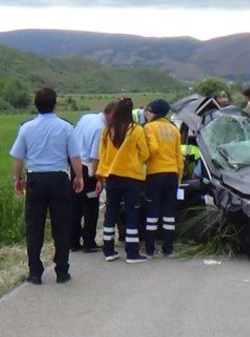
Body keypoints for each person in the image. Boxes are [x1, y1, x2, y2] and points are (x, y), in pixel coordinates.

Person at [10, 87, 84, 285]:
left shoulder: (26, 128)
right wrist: (79, 177)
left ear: (35, 106)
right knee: (61, 225)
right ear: (55, 105)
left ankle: (35, 272)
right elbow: (75, 156)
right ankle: (62, 270)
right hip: (59, 179)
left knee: (34, 227)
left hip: (35, 179)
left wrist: (17, 179)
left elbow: (18, 157)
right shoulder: (66, 128)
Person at [96, 98, 151, 263]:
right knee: (132, 212)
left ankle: (108, 250)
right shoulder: (135, 130)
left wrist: (101, 175)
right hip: (132, 177)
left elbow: (102, 155)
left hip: (112, 177)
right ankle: (132, 252)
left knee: (111, 212)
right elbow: (145, 153)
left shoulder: (107, 131)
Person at [70, 101, 117, 253]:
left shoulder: (87, 117)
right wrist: (99, 179)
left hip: (75, 165)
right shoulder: (101, 129)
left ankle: (73, 241)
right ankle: (89, 241)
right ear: (112, 115)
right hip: (89, 170)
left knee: (75, 205)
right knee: (91, 206)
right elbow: (95, 156)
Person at [142, 99, 184, 258]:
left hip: (154, 174)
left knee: (152, 213)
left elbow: (149, 151)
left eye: (148, 111)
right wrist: (178, 177)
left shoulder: (148, 128)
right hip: (172, 174)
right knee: (168, 214)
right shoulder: (174, 130)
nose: (146, 114)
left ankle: (150, 250)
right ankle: (168, 249)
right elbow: (179, 157)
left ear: (153, 113)